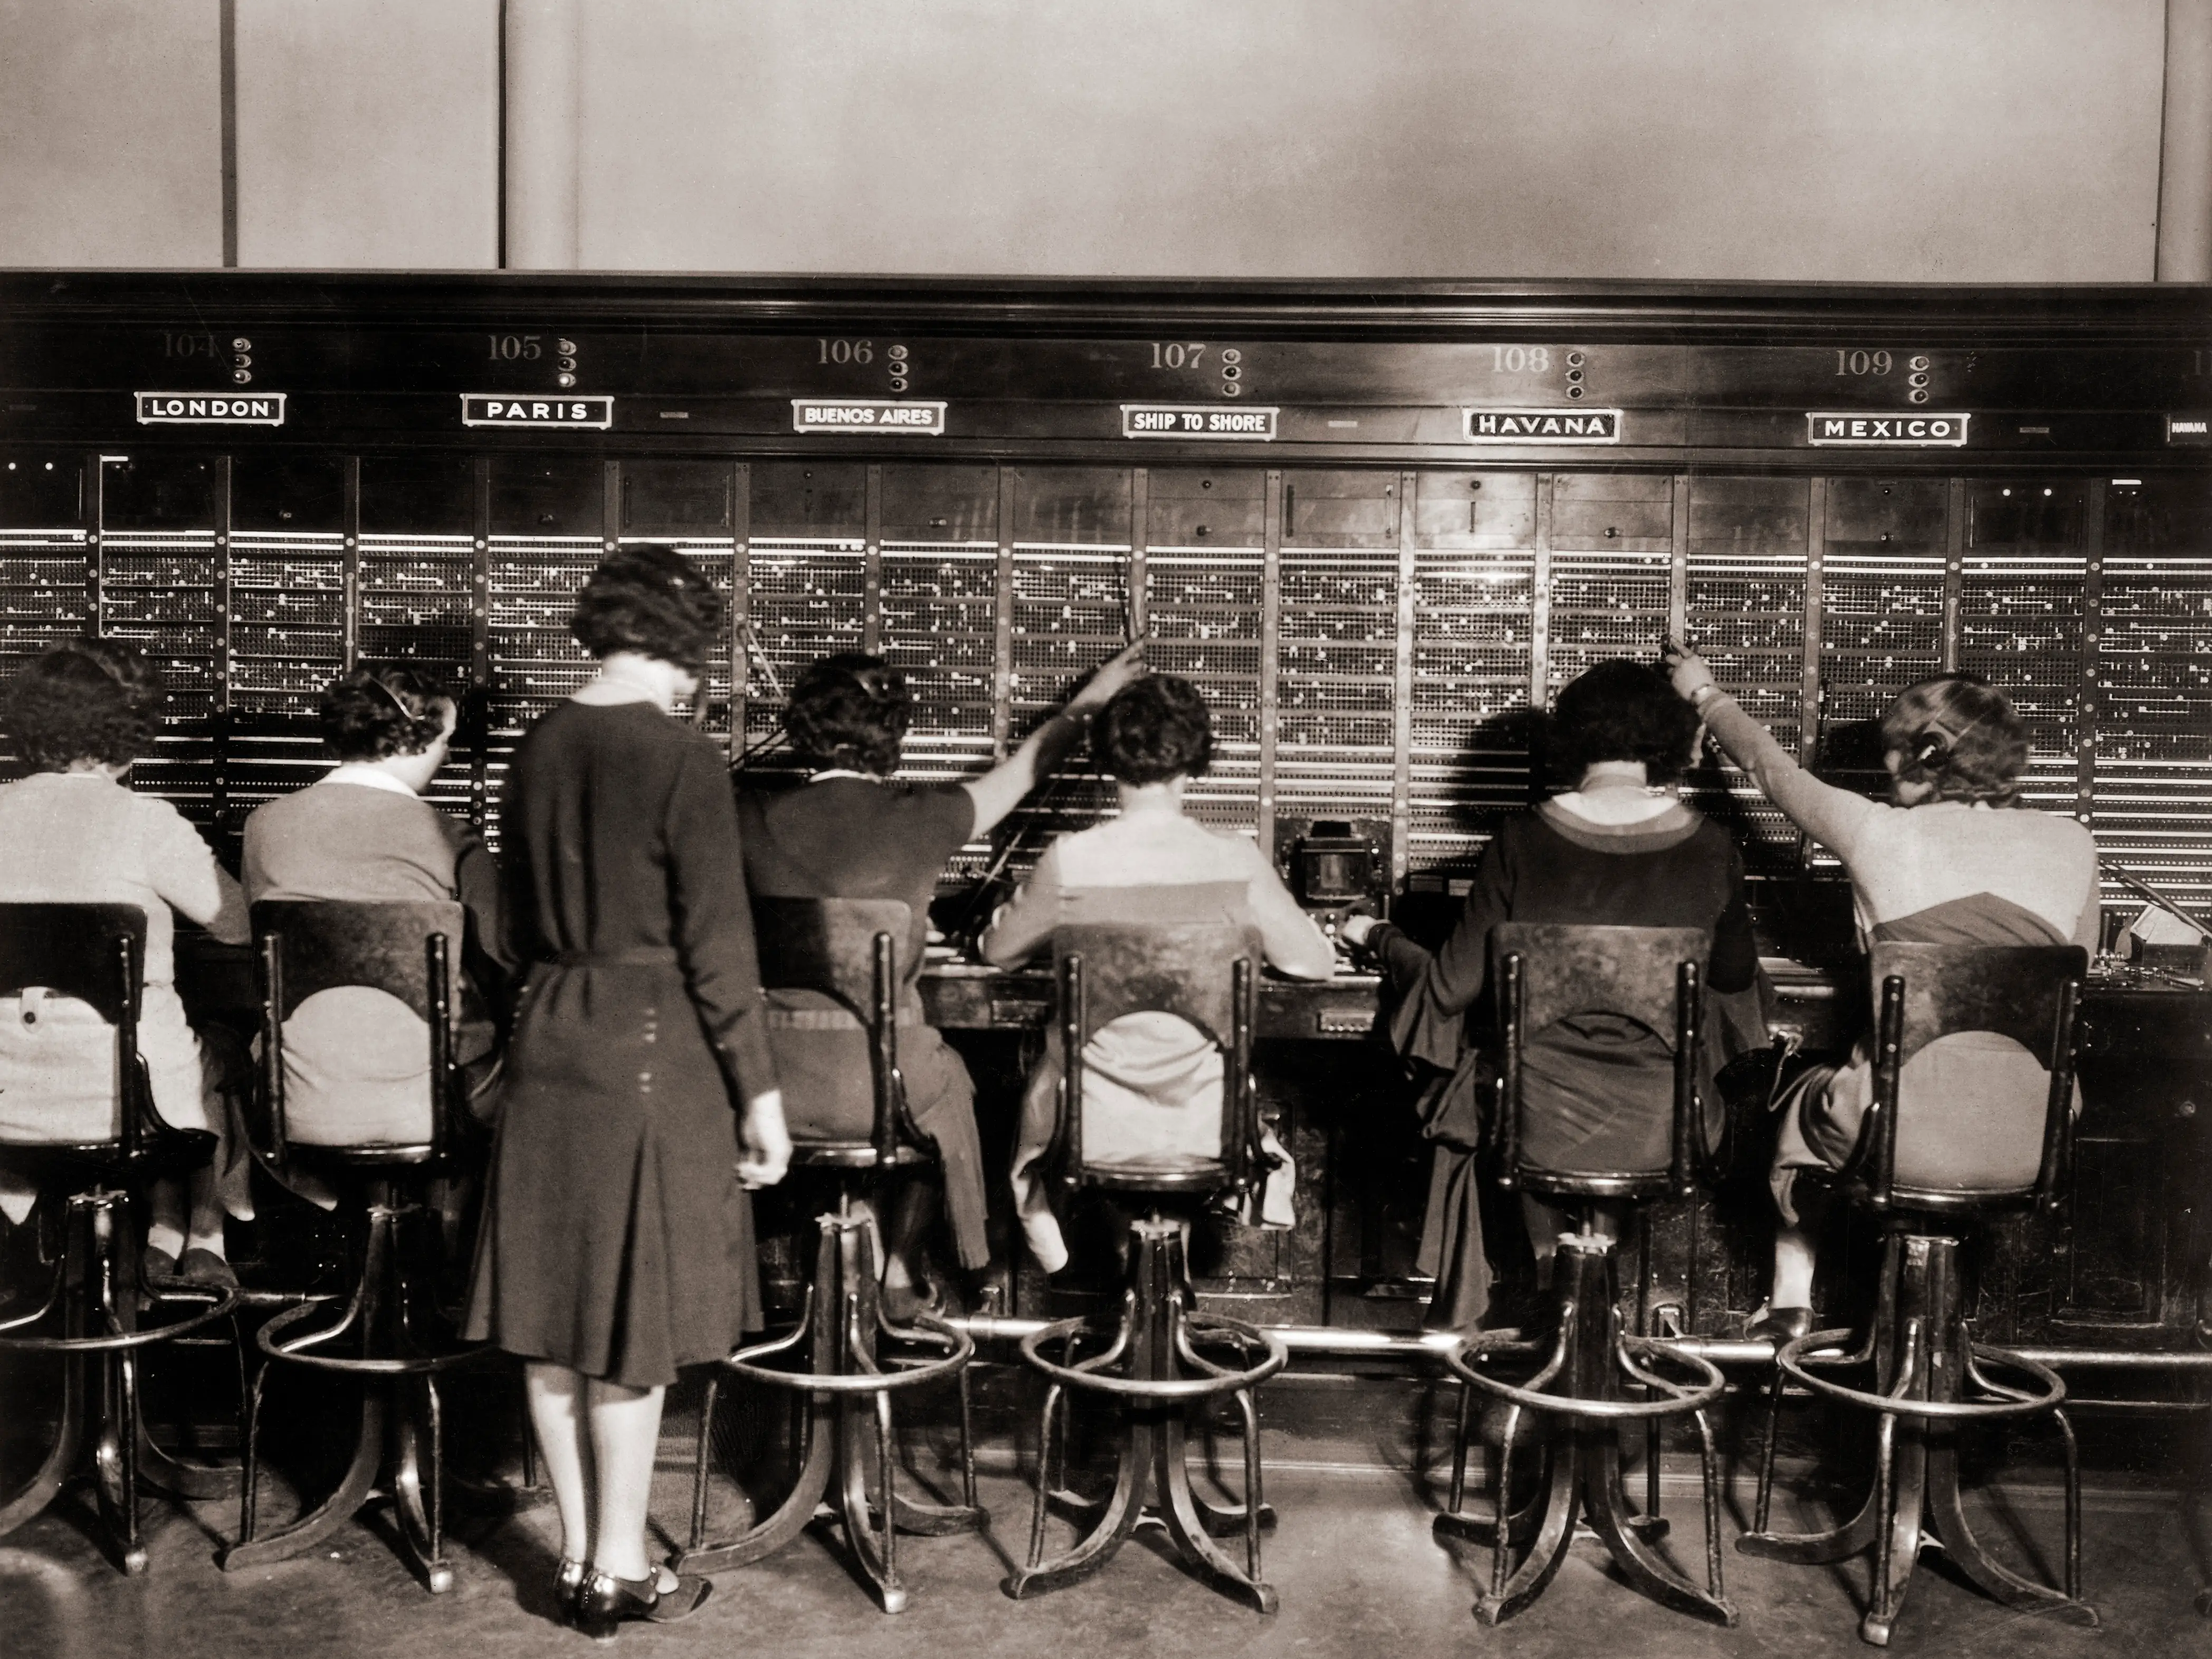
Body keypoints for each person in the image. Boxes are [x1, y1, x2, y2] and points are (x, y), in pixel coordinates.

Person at [463, 546, 790, 1637]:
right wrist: (760, 1094)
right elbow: (717, 944)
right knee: (632, 1324)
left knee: (555, 1317)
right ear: (682, 640)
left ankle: (573, 1550)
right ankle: (619, 1564)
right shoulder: (679, 754)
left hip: (549, 1034)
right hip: (655, 1051)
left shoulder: (538, 743)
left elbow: (506, 925)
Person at [1662, 651, 2097, 1342]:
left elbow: (1772, 774)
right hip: (2032, 1142)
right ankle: (1944, 1340)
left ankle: (1792, 1298)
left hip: (1896, 1139)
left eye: (1893, 755)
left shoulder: (1876, 832)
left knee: (1800, 1103)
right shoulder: (2074, 844)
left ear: (1921, 756)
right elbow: (2082, 967)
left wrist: (1705, 693)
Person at [1343, 659, 1764, 1333]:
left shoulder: (1520, 838)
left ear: (1571, 738)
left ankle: (1552, 1279)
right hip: (1667, 1129)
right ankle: (1593, 1299)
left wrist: (1380, 937)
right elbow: (1735, 978)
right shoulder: (1713, 846)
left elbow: (1451, 986)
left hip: (1537, 1125)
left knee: (1485, 1082)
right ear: (1668, 736)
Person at [738, 642, 1145, 1317]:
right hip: (889, 1088)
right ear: (895, 734)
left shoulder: (745, 816)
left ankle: (843, 1278)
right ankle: (900, 1269)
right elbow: (1025, 770)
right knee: (951, 1081)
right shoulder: (926, 817)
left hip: (774, 1085)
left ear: (804, 728)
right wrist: (1091, 699)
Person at [979, 673, 1334, 1273]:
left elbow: (998, 954)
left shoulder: (1072, 859)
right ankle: (1162, 1311)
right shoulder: (1235, 861)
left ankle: (1136, 1307)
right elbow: (1313, 961)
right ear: (1197, 761)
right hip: (1204, 1128)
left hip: (1089, 1125)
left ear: (1106, 760)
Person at [0, 637, 252, 1288]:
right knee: (218, 1049)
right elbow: (236, 925)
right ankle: (202, 1236)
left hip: (8, 1103)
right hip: (129, 1108)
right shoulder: (146, 820)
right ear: (131, 729)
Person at [242, 665, 511, 1160]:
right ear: (410, 741)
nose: (447, 756)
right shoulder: (453, 837)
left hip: (296, 1102)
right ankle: (451, 1226)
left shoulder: (264, 824)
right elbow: (504, 958)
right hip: (439, 1102)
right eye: (444, 741)